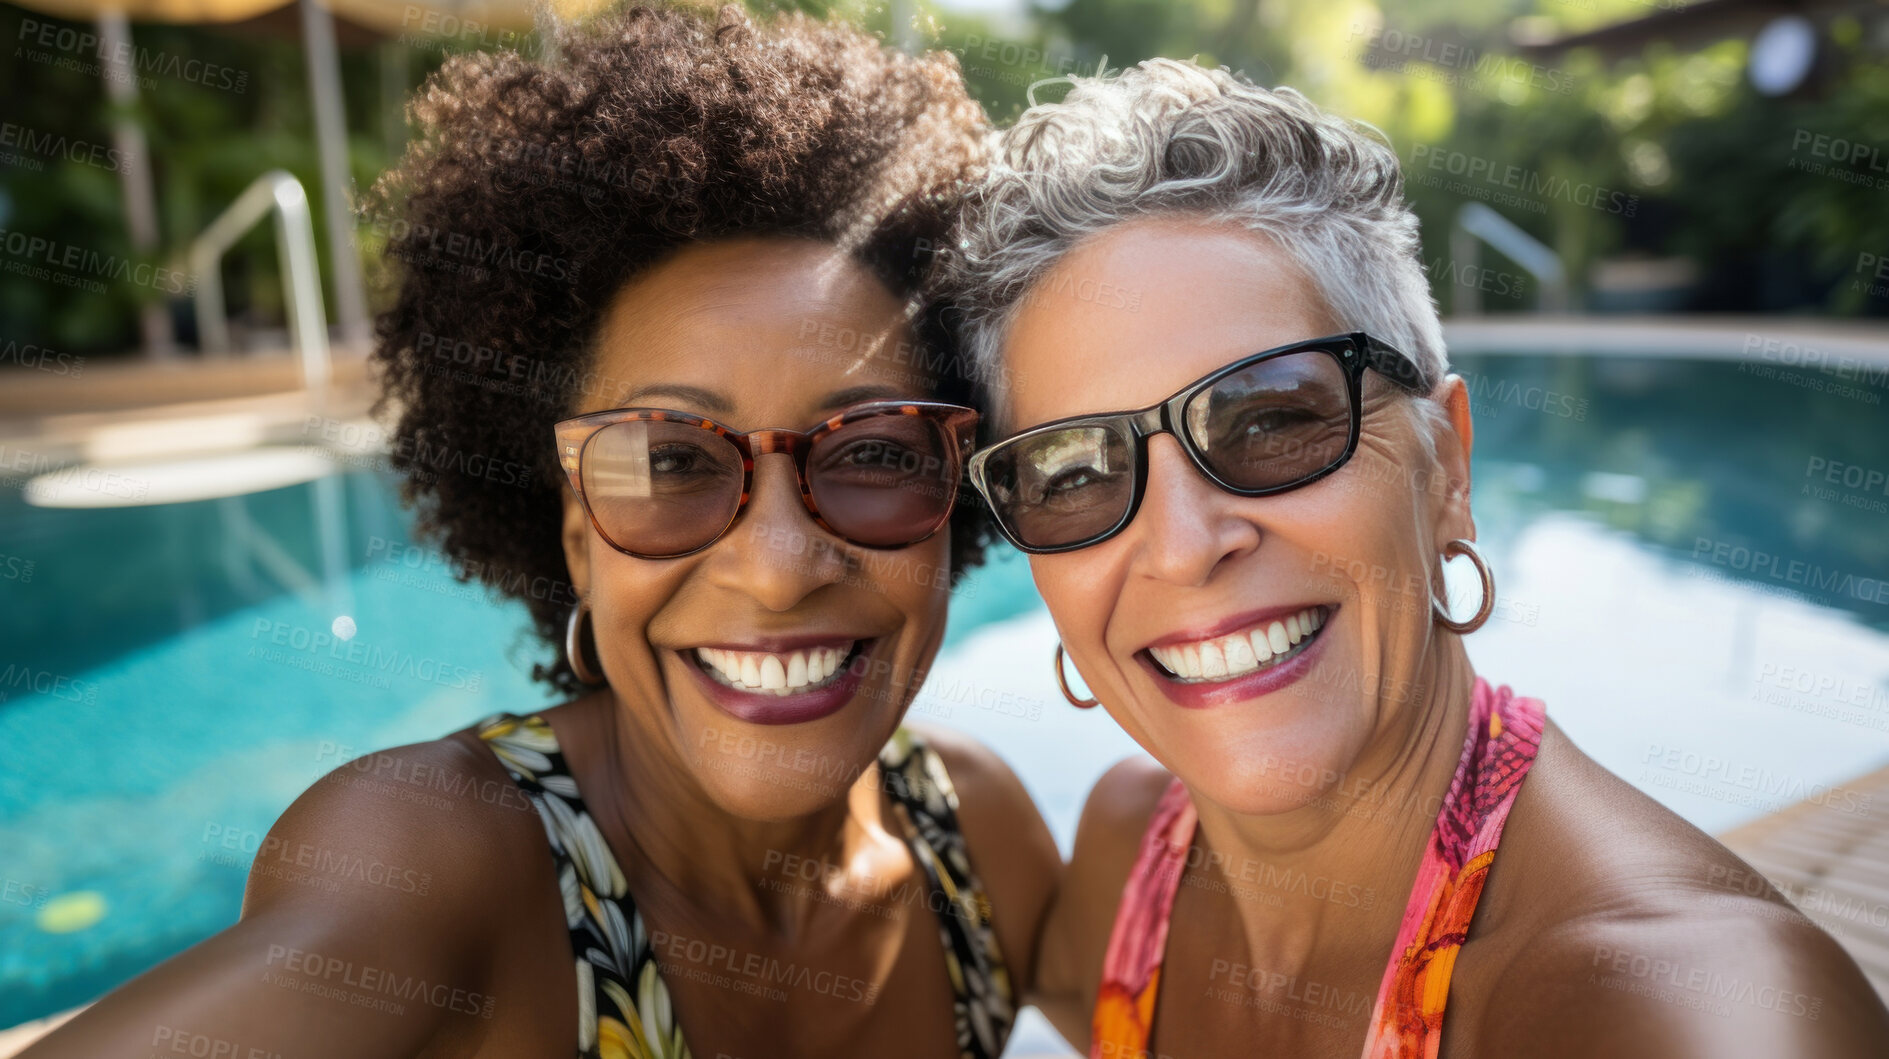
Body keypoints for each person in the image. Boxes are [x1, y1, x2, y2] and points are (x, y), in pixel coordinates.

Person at [23, 6, 1057, 1057]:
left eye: (873, 451)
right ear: (572, 536)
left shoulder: (977, 838)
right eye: (667, 461)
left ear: (956, 496)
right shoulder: (446, 862)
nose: (779, 566)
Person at [947, 57, 1889, 1057]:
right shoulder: (1128, 856)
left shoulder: (1676, 1007)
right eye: (1074, 472)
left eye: (1270, 420)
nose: (1181, 549)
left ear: (1446, 465)